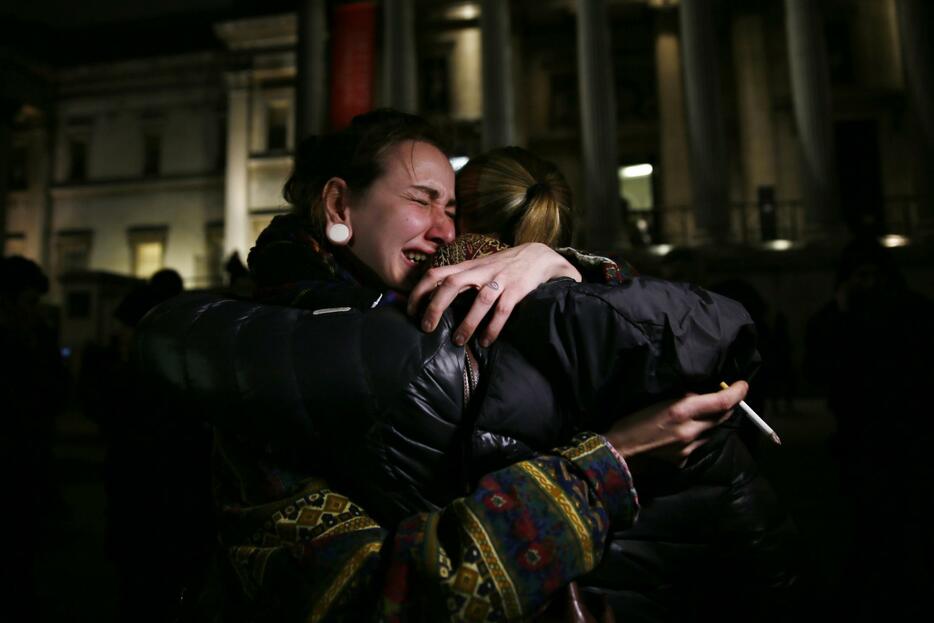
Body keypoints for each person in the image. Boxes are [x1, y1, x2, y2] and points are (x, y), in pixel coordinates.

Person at [135, 110, 753, 621]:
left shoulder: (442, 316)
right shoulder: (263, 368)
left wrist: (560, 270)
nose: (442, 229)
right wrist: (601, 471)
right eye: (421, 199)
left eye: (452, 207)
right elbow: (371, 600)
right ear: (339, 205)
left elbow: (704, 335)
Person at [450, 146, 799, 620]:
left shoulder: (448, 347)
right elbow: (756, 536)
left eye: (445, 205)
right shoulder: (652, 335)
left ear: (463, 220)